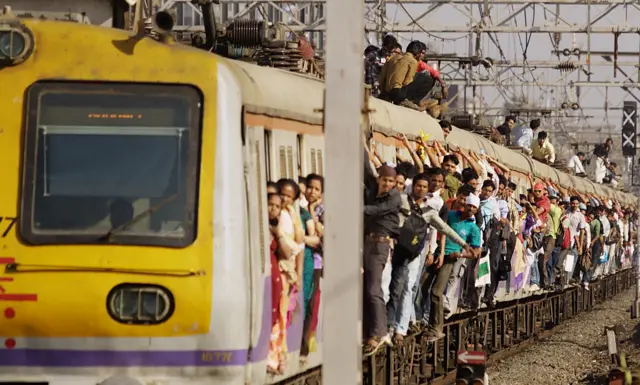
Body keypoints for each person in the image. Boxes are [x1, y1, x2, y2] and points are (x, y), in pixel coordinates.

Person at [419, 194, 482, 342]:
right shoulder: (452, 214)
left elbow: (476, 252)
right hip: (436, 254)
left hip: (450, 259)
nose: (470, 209)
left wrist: (460, 254)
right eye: (469, 205)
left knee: (436, 291)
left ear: (477, 210)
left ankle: (436, 327)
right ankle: (419, 319)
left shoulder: (473, 228)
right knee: (422, 285)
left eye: (474, 207)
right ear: (464, 204)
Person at [363, 158, 402, 355]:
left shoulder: (394, 198)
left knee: (373, 290)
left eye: (391, 182)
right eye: (384, 180)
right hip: (366, 242)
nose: (387, 184)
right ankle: (368, 330)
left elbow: (374, 210)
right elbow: (365, 166)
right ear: (379, 179)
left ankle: (379, 332)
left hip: (380, 246)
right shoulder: (373, 185)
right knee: (364, 289)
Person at [378, 40, 433, 110]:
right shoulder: (413, 61)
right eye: (422, 53)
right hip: (397, 94)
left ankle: (386, 96)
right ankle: (411, 101)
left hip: (386, 92)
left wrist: (383, 91)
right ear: (418, 53)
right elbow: (407, 81)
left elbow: (381, 77)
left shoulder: (391, 59)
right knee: (427, 78)